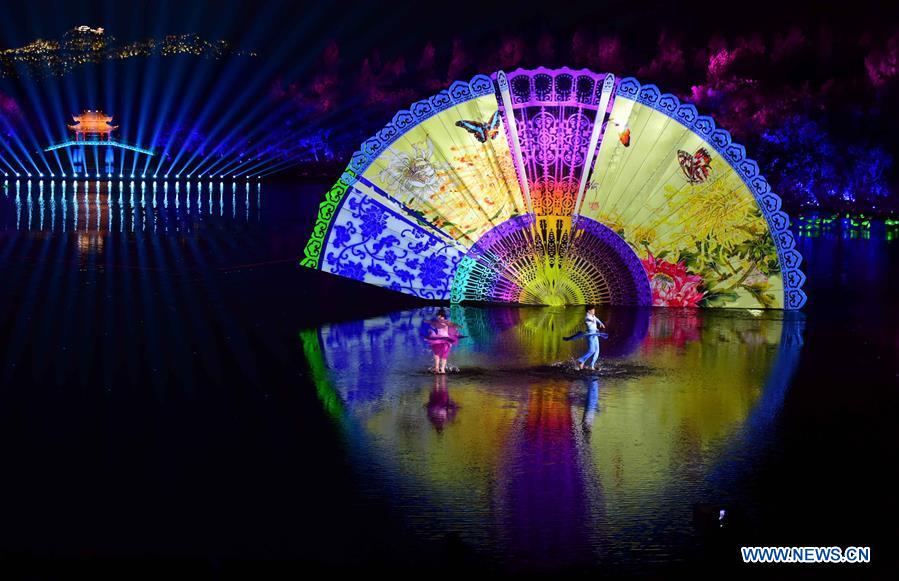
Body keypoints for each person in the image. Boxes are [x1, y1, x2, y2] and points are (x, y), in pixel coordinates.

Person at [424, 308, 459, 374]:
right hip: (444, 341)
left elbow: (429, 324)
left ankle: (438, 368)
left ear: (440, 316)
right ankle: (441, 369)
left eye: (438, 316)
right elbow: (455, 326)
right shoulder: (446, 322)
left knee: (437, 355)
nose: (437, 317)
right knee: (443, 356)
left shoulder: (439, 322)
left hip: (439, 341)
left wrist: (426, 321)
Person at [577, 306, 605, 370]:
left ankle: (591, 366)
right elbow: (589, 323)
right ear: (589, 311)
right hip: (590, 335)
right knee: (592, 350)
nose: (594, 311)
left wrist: (601, 323)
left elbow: (596, 319)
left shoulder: (592, 316)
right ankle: (580, 361)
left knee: (597, 350)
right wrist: (596, 328)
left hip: (595, 334)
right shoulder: (587, 317)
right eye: (593, 310)